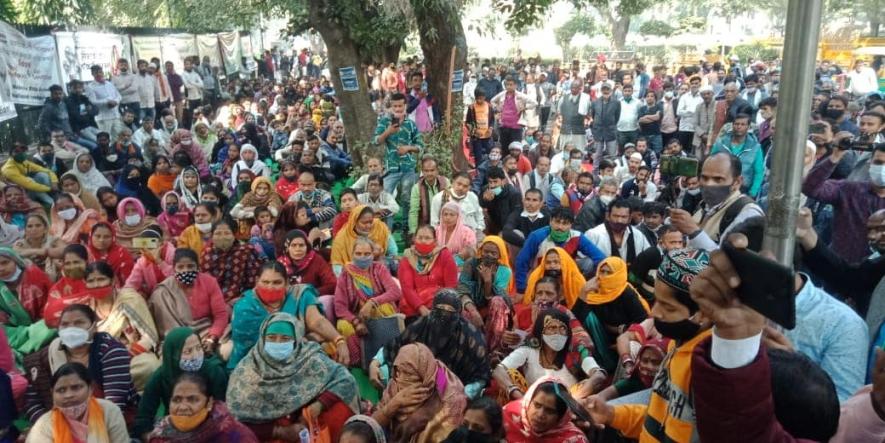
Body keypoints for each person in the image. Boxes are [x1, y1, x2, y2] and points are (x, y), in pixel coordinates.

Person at [582, 248, 712, 443]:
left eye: (667, 306)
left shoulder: (708, 368)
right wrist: (611, 414)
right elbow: (660, 419)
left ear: (703, 312)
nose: (655, 312)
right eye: (656, 300)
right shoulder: (676, 346)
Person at [226, 313, 359, 442]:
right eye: (271, 337)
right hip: (272, 429)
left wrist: (319, 405)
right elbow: (236, 420)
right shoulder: (247, 370)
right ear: (262, 339)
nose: (278, 343)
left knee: (340, 409)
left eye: (285, 339)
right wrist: (279, 431)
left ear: (296, 341)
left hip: (310, 421)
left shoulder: (309, 357)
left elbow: (345, 379)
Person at [22, 304, 137, 423]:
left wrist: (88, 430)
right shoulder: (46, 356)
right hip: (60, 424)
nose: (71, 329)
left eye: (79, 323)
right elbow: (32, 402)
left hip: (105, 420)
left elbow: (114, 403)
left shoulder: (110, 350)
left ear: (94, 327)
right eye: (65, 324)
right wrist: (50, 426)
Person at [372, 289, 490, 399]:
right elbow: (395, 345)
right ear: (433, 309)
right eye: (440, 308)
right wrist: (375, 363)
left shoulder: (470, 337)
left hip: (453, 391)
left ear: (458, 314)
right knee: (387, 374)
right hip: (417, 385)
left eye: (450, 311)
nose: (444, 315)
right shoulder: (422, 325)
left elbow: (480, 377)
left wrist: (460, 396)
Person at [228, 261, 348, 368]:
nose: (270, 287)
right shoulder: (245, 306)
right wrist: (309, 338)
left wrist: (339, 340)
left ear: (287, 283)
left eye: (277, 282)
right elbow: (248, 345)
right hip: (255, 364)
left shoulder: (299, 295)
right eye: (265, 282)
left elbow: (316, 321)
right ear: (257, 282)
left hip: (300, 359)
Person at [135, 327, 230, 439]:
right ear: (172, 354)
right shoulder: (162, 375)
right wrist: (149, 437)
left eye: (198, 348)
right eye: (188, 351)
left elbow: (222, 410)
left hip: (208, 425)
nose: (195, 355)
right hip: (175, 424)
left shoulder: (213, 371)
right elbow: (144, 415)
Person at [803, 141, 885, 264]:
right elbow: (810, 188)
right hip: (840, 269)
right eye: (879, 163)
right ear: (870, 164)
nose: (883, 169)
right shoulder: (848, 189)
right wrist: (835, 157)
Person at [372, 343, 467, 442]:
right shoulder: (394, 385)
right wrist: (394, 404)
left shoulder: (442, 381)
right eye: (398, 371)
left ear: (425, 375)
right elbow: (371, 425)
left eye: (409, 373)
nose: (401, 377)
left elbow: (446, 397)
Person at [669, 152, 764, 250]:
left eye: (718, 179)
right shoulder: (703, 207)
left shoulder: (747, 213)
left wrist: (694, 232)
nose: (709, 184)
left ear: (737, 182)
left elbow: (731, 261)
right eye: (704, 178)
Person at [334, 237, 402, 364]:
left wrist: (372, 303)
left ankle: (383, 354)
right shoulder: (345, 274)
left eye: (367, 254)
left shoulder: (379, 269)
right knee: (343, 325)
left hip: (378, 313)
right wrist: (356, 322)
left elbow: (395, 292)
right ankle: (360, 359)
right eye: (358, 254)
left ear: (373, 254)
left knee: (384, 308)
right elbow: (340, 306)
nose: (363, 257)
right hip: (356, 316)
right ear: (352, 254)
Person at [25, 362, 129, 443]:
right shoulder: (44, 426)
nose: (69, 395)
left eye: (76, 387)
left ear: (91, 388)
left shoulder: (109, 411)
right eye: (61, 390)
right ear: (52, 393)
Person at [147, 372, 257, 442]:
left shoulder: (235, 435)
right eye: (177, 400)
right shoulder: (161, 436)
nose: (183, 407)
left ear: (209, 403)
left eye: (192, 399)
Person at [149, 248, 229, 344]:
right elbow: (165, 326)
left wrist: (212, 338)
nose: (186, 270)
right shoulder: (163, 291)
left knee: (227, 347)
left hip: (205, 332)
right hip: (177, 337)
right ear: (174, 269)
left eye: (190, 266)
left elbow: (220, 314)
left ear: (198, 267)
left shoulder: (209, 282)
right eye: (181, 267)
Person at [502, 377, 590, 443]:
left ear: (561, 417)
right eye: (537, 405)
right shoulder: (508, 415)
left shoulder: (573, 440)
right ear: (528, 402)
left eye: (550, 411)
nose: (540, 415)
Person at [398, 225, 459, 317]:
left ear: (435, 240)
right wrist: (421, 308)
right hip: (414, 305)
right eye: (420, 238)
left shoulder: (444, 255)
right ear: (414, 239)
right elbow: (407, 288)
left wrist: (442, 307)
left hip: (441, 302)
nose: (423, 241)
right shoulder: (407, 257)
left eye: (427, 238)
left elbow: (451, 286)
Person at [199, 218, 260, 305]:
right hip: (210, 299)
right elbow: (202, 282)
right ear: (212, 235)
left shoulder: (245, 251)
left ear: (235, 235)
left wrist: (241, 298)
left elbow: (253, 281)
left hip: (239, 298)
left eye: (227, 233)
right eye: (218, 233)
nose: (222, 237)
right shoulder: (207, 253)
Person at [583, 197, 652, 265]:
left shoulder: (638, 235)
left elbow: (648, 256)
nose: (619, 220)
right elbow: (582, 261)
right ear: (608, 216)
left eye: (623, 217)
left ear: (630, 218)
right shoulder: (594, 234)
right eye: (616, 216)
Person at [710, 114, 764, 197]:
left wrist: (752, 193)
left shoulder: (755, 147)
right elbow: (711, 163)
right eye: (736, 124)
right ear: (732, 125)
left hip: (743, 188)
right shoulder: (721, 143)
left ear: (748, 127)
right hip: (721, 185)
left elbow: (759, 172)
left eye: (743, 124)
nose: (739, 127)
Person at [330, 205, 392, 275]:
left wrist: (379, 254)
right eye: (364, 223)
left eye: (371, 222)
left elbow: (393, 251)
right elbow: (337, 268)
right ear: (354, 222)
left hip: (379, 272)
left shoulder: (379, 227)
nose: (368, 226)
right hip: (352, 275)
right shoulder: (341, 238)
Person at [522, 247, 586, 309]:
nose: (552, 266)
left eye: (556, 262)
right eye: (548, 262)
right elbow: (530, 302)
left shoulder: (577, 279)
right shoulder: (536, 276)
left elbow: (583, 305)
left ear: (565, 263)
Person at [2, 143, 58, 207]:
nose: (20, 153)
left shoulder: (24, 162)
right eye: (16, 151)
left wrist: (54, 182)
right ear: (10, 155)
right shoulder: (8, 169)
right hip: (16, 195)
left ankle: (53, 194)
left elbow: (46, 170)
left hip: (30, 190)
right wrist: (49, 189)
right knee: (30, 180)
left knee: (42, 175)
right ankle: (51, 202)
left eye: (23, 151)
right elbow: (28, 184)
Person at [13, 214, 64, 278]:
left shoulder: (54, 240)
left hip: (53, 273)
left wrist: (46, 253)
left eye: (38, 225)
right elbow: (15, 254)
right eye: (30, 226)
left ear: (45, 229)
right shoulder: (20, 244)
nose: (34, 229)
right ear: (25, 230)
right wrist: (42, 251)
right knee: (26, 261)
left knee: (54, 260)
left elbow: (65, 251)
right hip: (29, 276)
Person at [85, 223, 135, 287]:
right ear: (91, 236)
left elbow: (130, 282)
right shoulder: (84, 254)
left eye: (106, 237)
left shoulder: (122, 254)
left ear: (113, 237)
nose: (101, 240)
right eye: (97, 236)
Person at [408, 157, 449, 234]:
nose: (429, 173)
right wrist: (413, 232)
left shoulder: (446, 182)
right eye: (426, 171)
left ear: (437, 170)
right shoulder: (417, 188)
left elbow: (452, 205)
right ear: (422, 172)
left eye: (432, 170)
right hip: (425, 226)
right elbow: (413, 212)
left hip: (444, 223)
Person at [558, 78, 591, 154]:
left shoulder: (585, 99)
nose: (573, 89)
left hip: (578, 130)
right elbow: (558, 112)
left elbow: (588, 114)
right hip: (565, 129)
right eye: (572, 87)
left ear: (580, 89)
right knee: (565, 152)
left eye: (575, 88)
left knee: (579, 151)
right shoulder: (563, 98)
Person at [465, 88, 495, 164]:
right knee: (478, 156)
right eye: (477, 99)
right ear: (475, 98)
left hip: (487, 136)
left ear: (484, 97)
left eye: (481, 99)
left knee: (490, 154)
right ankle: (479, 171)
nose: (479, 101)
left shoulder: (489, 106)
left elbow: (492, 120)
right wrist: (474, 130)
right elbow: (467, 122)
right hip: (477, 137)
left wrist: (490, 129)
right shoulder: (471, 108)